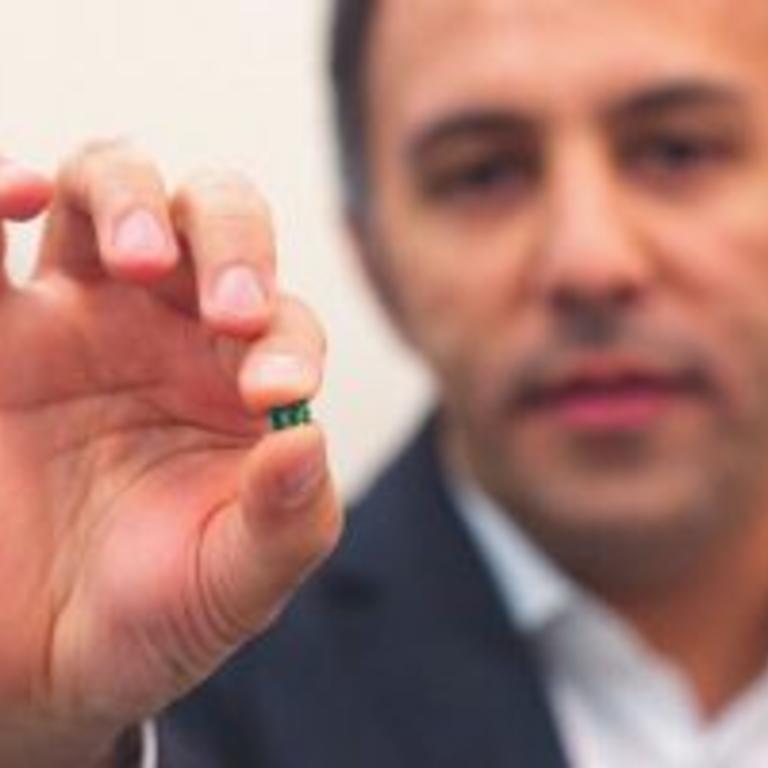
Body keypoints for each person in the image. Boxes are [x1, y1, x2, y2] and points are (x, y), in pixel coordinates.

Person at [4, 0, 768, 765]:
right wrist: (45, 732)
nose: (590, 262)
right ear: (373, 260)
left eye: (678, 151)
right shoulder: (182, 699)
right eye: (483, 173)